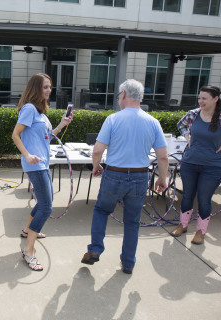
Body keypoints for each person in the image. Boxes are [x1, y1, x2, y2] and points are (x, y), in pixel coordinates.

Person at [81, 79, 168, 274]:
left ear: (124, 95)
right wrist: (163, 179)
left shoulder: (113, 119)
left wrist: (96, 166)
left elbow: (97, 150)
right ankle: (128, 263)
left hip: (114, 173)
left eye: (119, 95)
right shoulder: (153, 122)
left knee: (102, 211)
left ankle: (95, 249)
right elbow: (162, 156)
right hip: (139, 177)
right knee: (132, 221)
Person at [170, 86, 221, 244]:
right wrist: (187, 136)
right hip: (190, 163)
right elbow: (181, 125)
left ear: (215, 99)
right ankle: (183, 225)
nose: (200, 101)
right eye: (199, 98)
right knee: (187, 196)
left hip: (213, 167)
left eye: (204, 98)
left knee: (204, 199)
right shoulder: (193, 114)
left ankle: (201, 231)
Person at [12, 73, 72, 271]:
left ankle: (27, 229)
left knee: (44, 202)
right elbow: (15, 135)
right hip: (34, 164)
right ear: (35, 88)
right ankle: (28, 250)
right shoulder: (29, 109)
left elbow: (47, 137)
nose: (48, 90)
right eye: (45, 87)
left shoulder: (40, 113)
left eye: (50, 87)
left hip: (43, 163)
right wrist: (28, 155)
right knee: (46, 207)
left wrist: (62, 125)